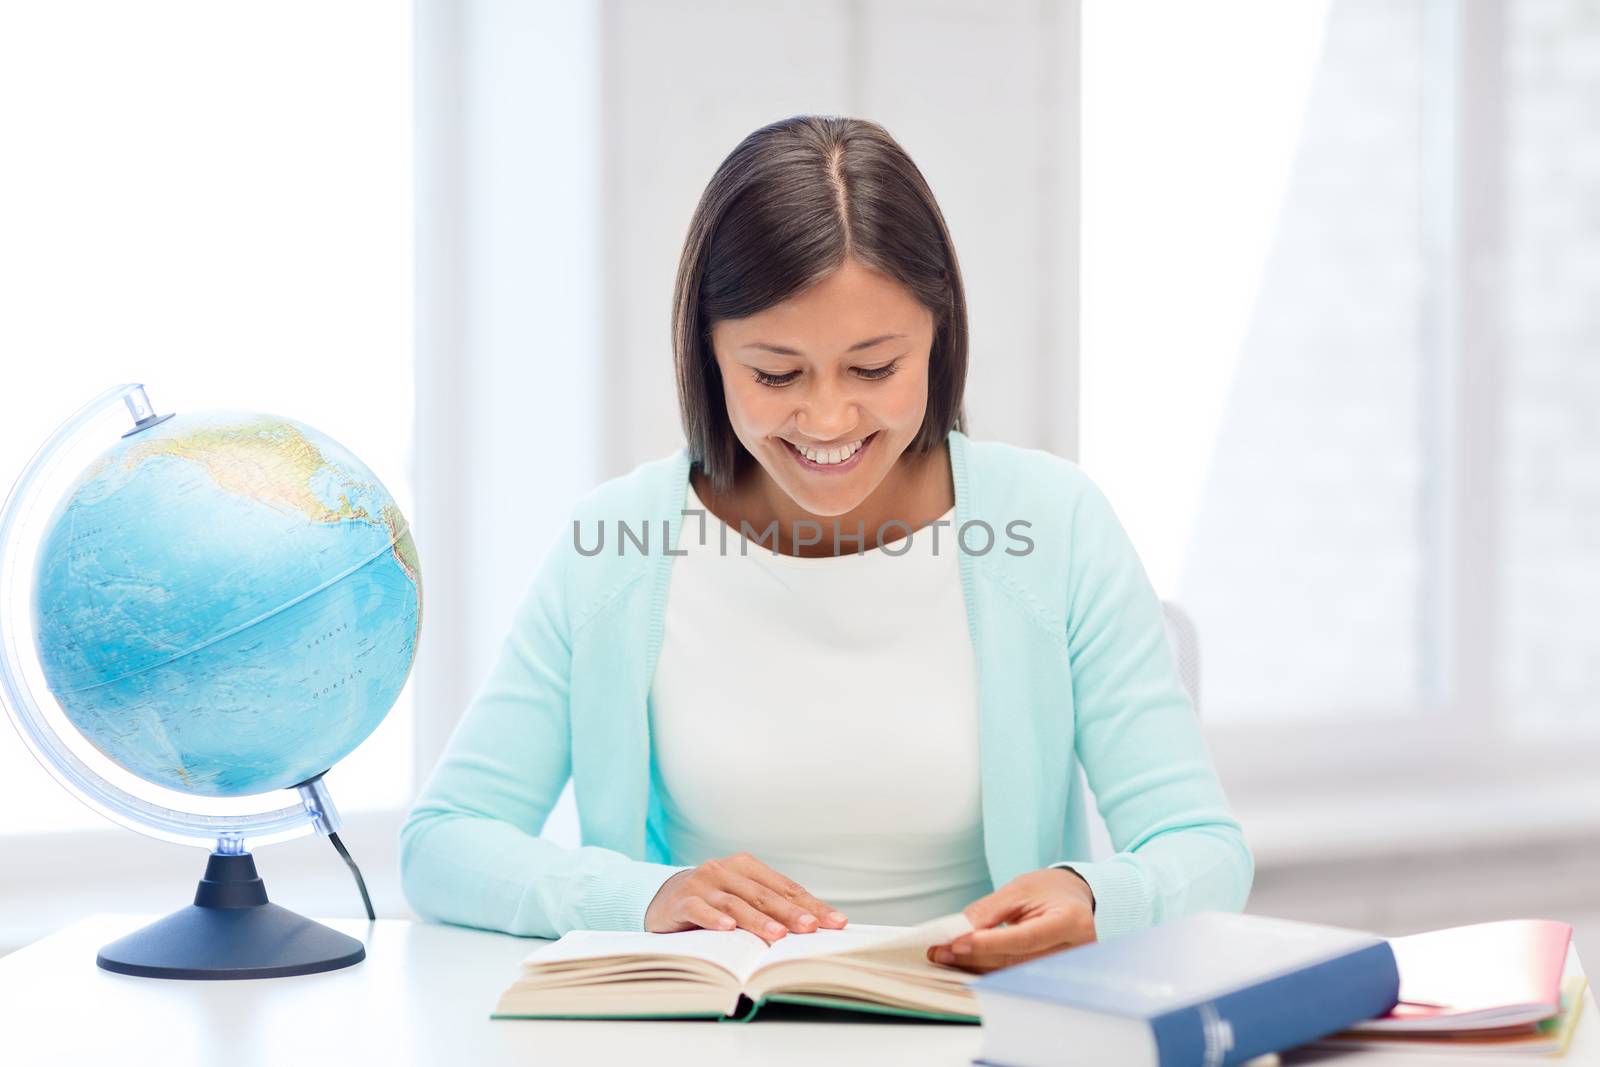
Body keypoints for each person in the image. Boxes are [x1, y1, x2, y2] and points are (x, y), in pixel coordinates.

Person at [400, 115, 1252, 974]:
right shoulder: (617, 545)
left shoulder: (1052, 525)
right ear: (708, 351)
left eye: (875, 368)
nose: (829, 420)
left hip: (973, 1027)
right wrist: (639, 898)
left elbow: (1204, 849)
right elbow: (442, 845)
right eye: (775, 374)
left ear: (938, 337)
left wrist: (1094, 894)